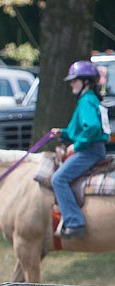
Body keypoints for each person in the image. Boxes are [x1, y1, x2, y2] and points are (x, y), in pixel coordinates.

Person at [50, 60, 110, 238]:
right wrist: (62, 133)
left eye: (74, 80)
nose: (71, 84)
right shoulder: (90, 99)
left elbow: (91, 128)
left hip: (89, 151)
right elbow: (82, 130)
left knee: (58, 179)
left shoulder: (86, 101)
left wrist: (76, 146)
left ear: (86, 81)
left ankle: (75, 222)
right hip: (93, 148)